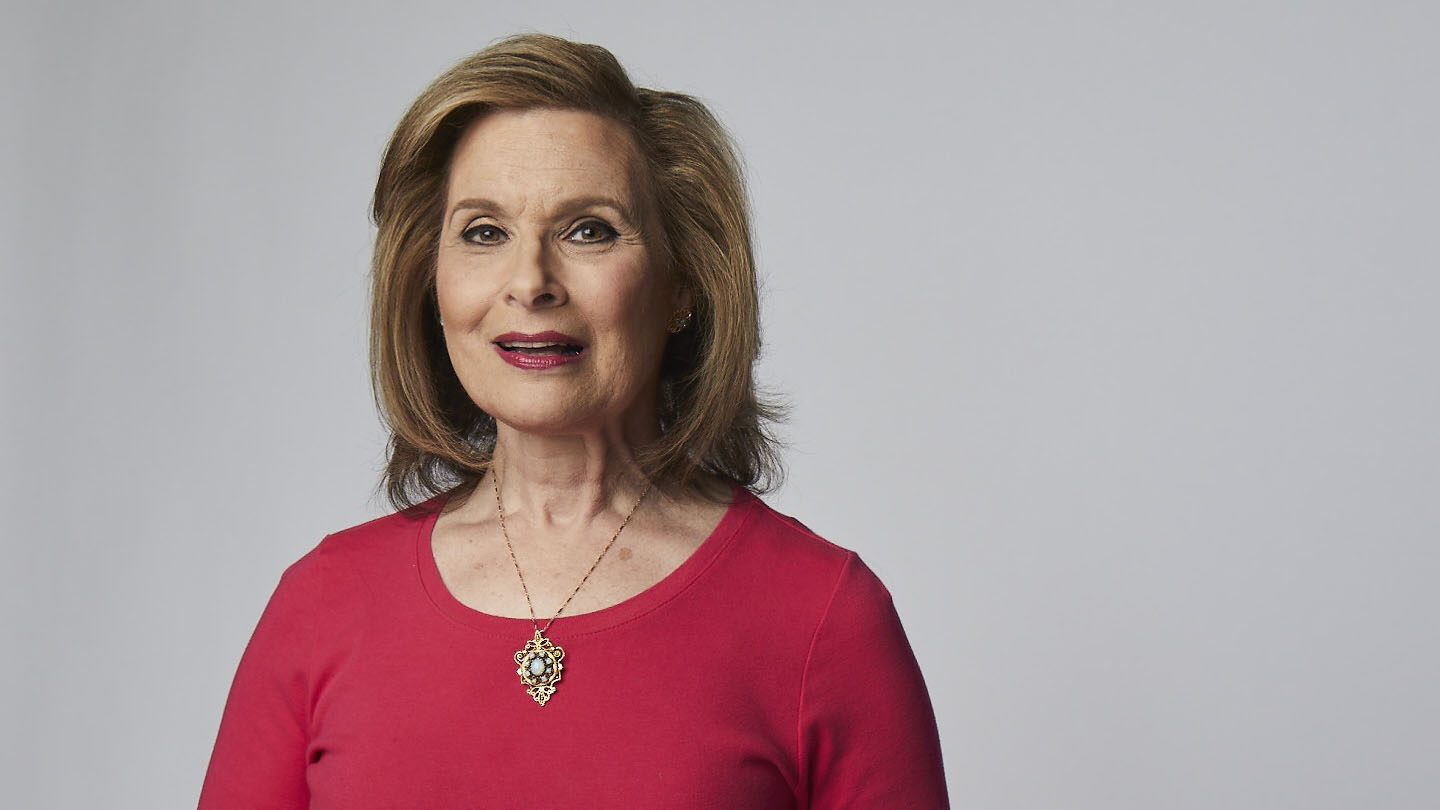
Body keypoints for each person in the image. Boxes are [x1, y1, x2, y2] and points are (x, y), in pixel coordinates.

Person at [198, 33, 949, 809]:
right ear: (431, 282)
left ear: (682, 283)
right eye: (484, 233)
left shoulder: (823, 617)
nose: (530, 282)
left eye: (588, 229)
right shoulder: (322, 606)